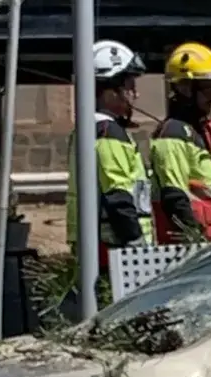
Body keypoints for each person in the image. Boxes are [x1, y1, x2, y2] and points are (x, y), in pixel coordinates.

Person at [67, 40, 154, 272]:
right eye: (129, 86)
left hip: (101, 244)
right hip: (116, 247)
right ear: (109, 91)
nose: (135, 94)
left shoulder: (90, 129)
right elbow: (117, 194)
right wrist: (137, 244)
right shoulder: (108, 132)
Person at [150, 42, 211, 244]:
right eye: (207, 88)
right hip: (192, 246)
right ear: (184, 87)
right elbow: (174, 196)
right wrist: (194, 240)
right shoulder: (173, 134)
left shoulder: (202, 132)